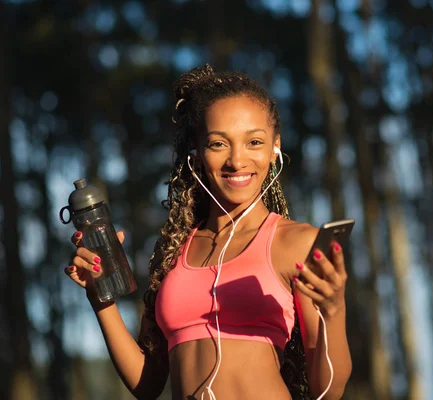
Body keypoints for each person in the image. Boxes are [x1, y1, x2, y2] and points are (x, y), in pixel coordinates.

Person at [65, 64, 352, 400]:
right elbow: (148, 384)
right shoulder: (173, 251)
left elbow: (328, 391)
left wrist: (333, 310)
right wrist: (101, 301)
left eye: (254, 141)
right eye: (218, 144)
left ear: (275, 148)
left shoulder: (296, 242)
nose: (237, 160)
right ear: (196, 154)